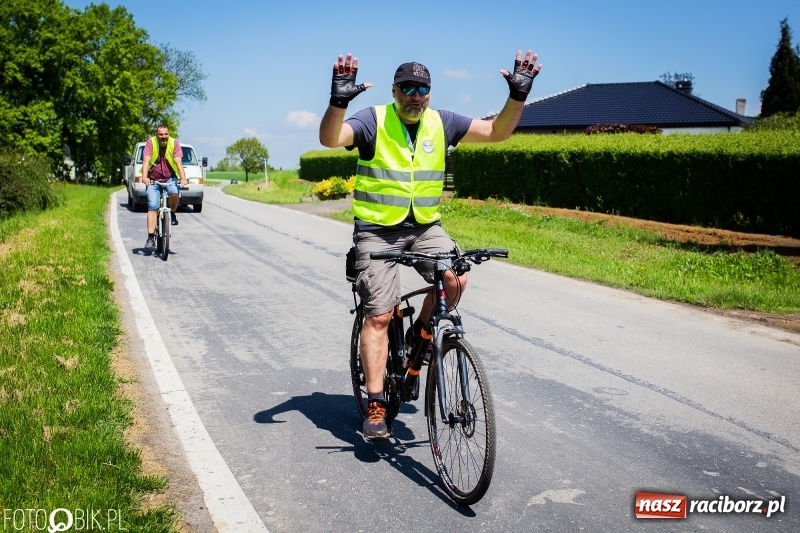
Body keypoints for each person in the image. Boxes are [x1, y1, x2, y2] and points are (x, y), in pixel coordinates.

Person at [319, 50, 542, 439]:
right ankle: (375, 403)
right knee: (380, 315)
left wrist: (518, 96)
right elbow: (330, 138)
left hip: (425, 227)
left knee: (455, 280)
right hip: (377, 229)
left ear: (430, 93)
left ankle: (419, 338)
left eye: (422, 89)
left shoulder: (443, 122)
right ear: (394, 90)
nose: (414, 96)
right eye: (407, 88)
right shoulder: (374, 120)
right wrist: (338, 102)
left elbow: (496, 132)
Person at [141, 124, 187, 248]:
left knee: (174, 193)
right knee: (152, 206)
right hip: (153, 179)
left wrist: (183, 178)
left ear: (169, 134)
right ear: (157, 135)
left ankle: (172, 213)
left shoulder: (174, 143)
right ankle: (150, 237)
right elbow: (146, 161)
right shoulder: (151, 143)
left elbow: (178, 162)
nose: (163, 137)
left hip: (170, 177)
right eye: (161, 134)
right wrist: (145, 177)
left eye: (166, 134)